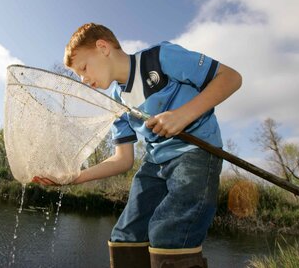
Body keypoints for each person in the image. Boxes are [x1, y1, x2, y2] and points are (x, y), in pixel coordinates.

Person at [32, 23, 242, 268]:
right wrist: (74, 178)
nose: (84, 80)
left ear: (103, 47)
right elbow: (123, 159)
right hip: (155, 163)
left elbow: (231, 78)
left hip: (196, 154)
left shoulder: (160, 58)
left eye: (84, 68)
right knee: (125, 237)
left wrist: (183, 115)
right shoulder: (117, 102)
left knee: (168, 235)